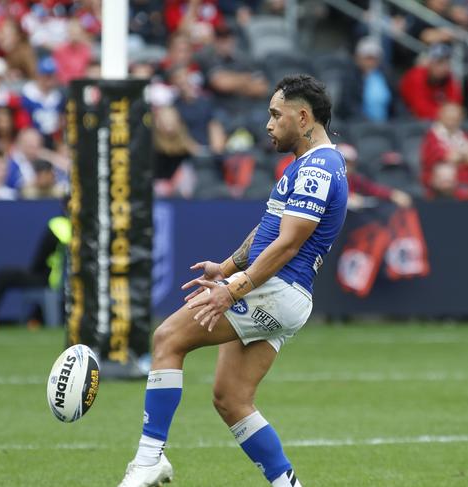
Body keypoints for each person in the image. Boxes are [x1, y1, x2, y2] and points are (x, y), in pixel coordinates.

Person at [116, 74, 348, 487]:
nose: (269, 124)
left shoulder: (319, 167)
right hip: (284, 294)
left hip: (275, 289)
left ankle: (149, 459)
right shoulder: (306, 165)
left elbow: (287, 245)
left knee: (168, 339)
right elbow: (267, 230)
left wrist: (232, 289)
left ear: (303, 116)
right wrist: (225, 268)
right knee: (232, 400)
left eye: (276, 115)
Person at [0, 211, 71, 331]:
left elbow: (40, 259)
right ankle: (35, 319)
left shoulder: (58, 225)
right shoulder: (76, 228)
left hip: (49, 279)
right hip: (58, 280)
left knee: (3, 275)